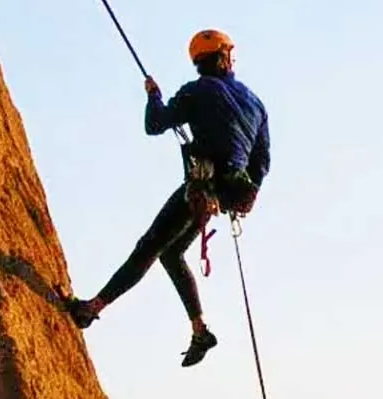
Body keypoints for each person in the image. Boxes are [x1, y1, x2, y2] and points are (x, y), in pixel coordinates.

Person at [65, 28, 271, 367]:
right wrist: (246, 193)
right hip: (226, 191)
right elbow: (261, 162)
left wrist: (153, 96)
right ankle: (200, 330)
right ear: (223, 57)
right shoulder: (255, 102)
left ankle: (92, 308)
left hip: (201, 187)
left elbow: (155, 124)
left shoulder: (197, 91)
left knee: (150, 245)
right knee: (172, 253)